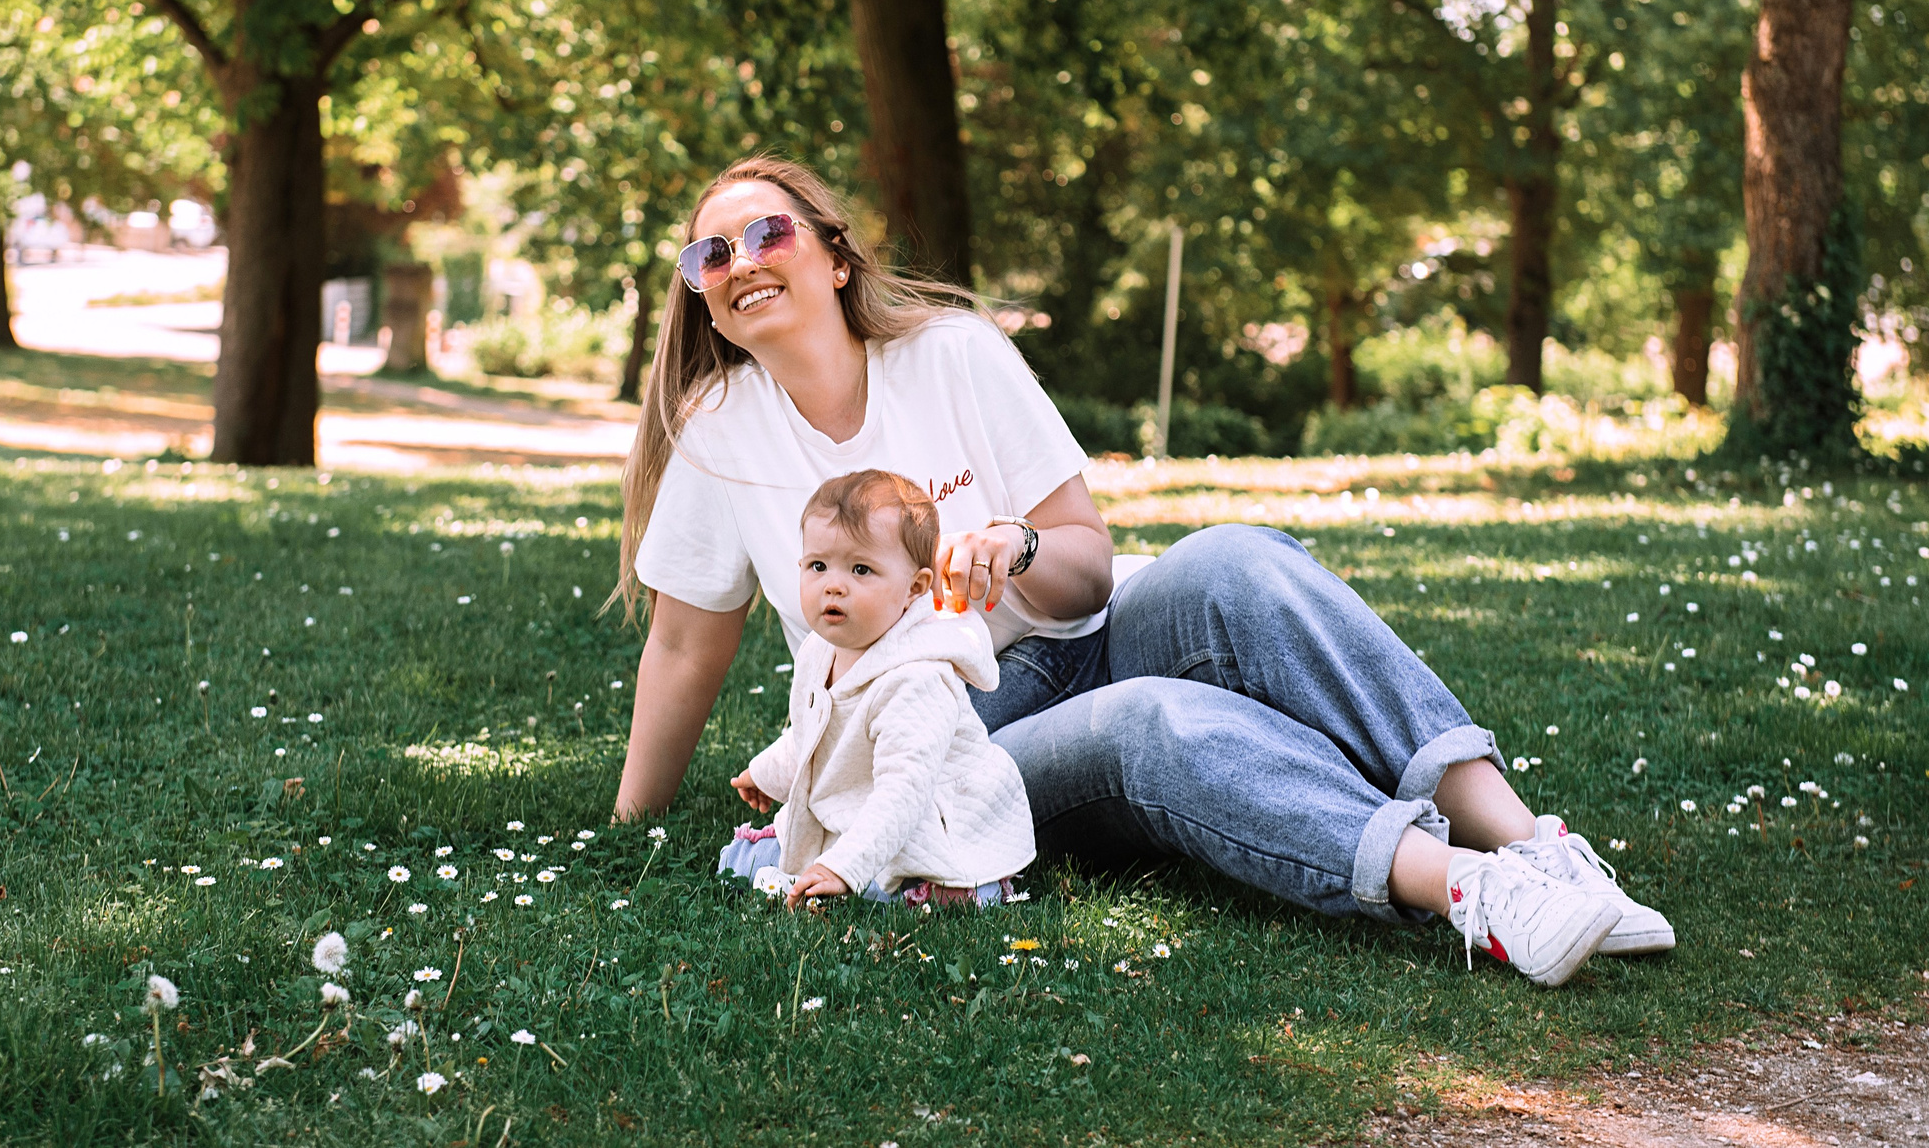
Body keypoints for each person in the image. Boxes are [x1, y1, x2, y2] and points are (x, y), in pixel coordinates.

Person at [615, 156, 1675, 987]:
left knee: (1234, 558)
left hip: (1076, 634)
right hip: (941, 737)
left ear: (835, 256)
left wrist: (1018, 549)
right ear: (701, 297)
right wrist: (631, 828)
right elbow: (680, 641)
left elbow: (1084, 571)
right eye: (708, 252)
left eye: (766, 230)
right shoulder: (719, 431)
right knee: (1148, 721)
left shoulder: (950, 351)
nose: (738, 258)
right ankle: (1475, 892)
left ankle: (1534, 844)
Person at [720, 469, 1037, 911]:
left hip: (925, 827)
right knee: (740, 862)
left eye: (861, 569)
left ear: (915, 588)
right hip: (862, 813)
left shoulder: (919, 678)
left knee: (884, 891)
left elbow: (903, 793)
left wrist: (843, 868)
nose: (834, 583)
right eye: (818, 565)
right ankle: (838, 867)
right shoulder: (822, 651)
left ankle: (912, 886)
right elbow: (815, 737)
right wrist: (766, 772)